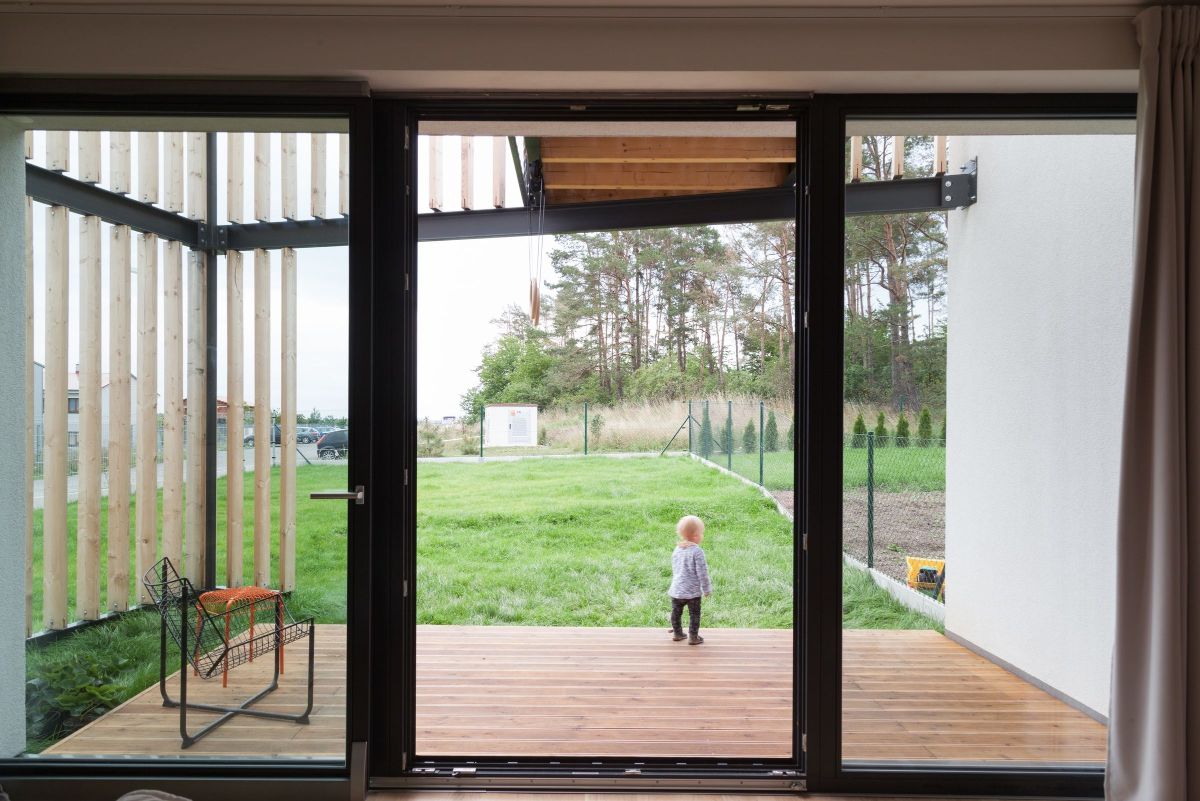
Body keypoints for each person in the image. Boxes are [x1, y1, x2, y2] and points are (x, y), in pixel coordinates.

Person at [668, 514, 712, 645]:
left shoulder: (677, 549)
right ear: (696, 535)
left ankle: (677, 633)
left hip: (677, 590)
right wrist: (707, 589)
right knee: (694, 615)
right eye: (701, 533)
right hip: (692, 592)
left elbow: (675, 568)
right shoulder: (697, 551)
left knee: (676, 612)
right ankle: (693, 637)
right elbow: (702, 573)